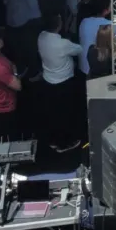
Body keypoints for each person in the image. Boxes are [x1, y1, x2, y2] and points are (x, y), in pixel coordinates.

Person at [37, 14, 82, 152]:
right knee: (65, 113)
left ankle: (53, 140)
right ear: (59, 25)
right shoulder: (62, 44)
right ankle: (64, 144)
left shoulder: (41, 37)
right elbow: (79, 49)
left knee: (52, 112)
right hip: (63, 82)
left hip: (48, 80)